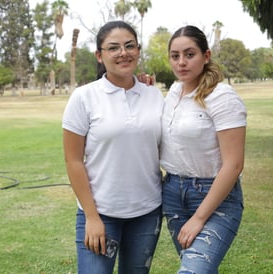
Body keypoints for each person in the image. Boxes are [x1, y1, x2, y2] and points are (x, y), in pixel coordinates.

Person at [62, 21, 164, 274]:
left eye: (130, 46)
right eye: (113, 48)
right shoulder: (83, 97)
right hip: (101, 213)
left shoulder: (154, 95)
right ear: (100, 55)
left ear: (138, 51)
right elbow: (73, 161)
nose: (123, 53)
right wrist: (92, 217)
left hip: (147, 211)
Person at [161, 25, 247, 273]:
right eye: (175, 56)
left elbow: (234, 164)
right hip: (174, 194)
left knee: (194, 270)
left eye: (190, 54)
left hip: (215, 196)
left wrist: (199, 218)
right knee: (197, 267)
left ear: (206, 56)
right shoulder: (173, 93)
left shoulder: (223, 97)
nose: (181, 62)